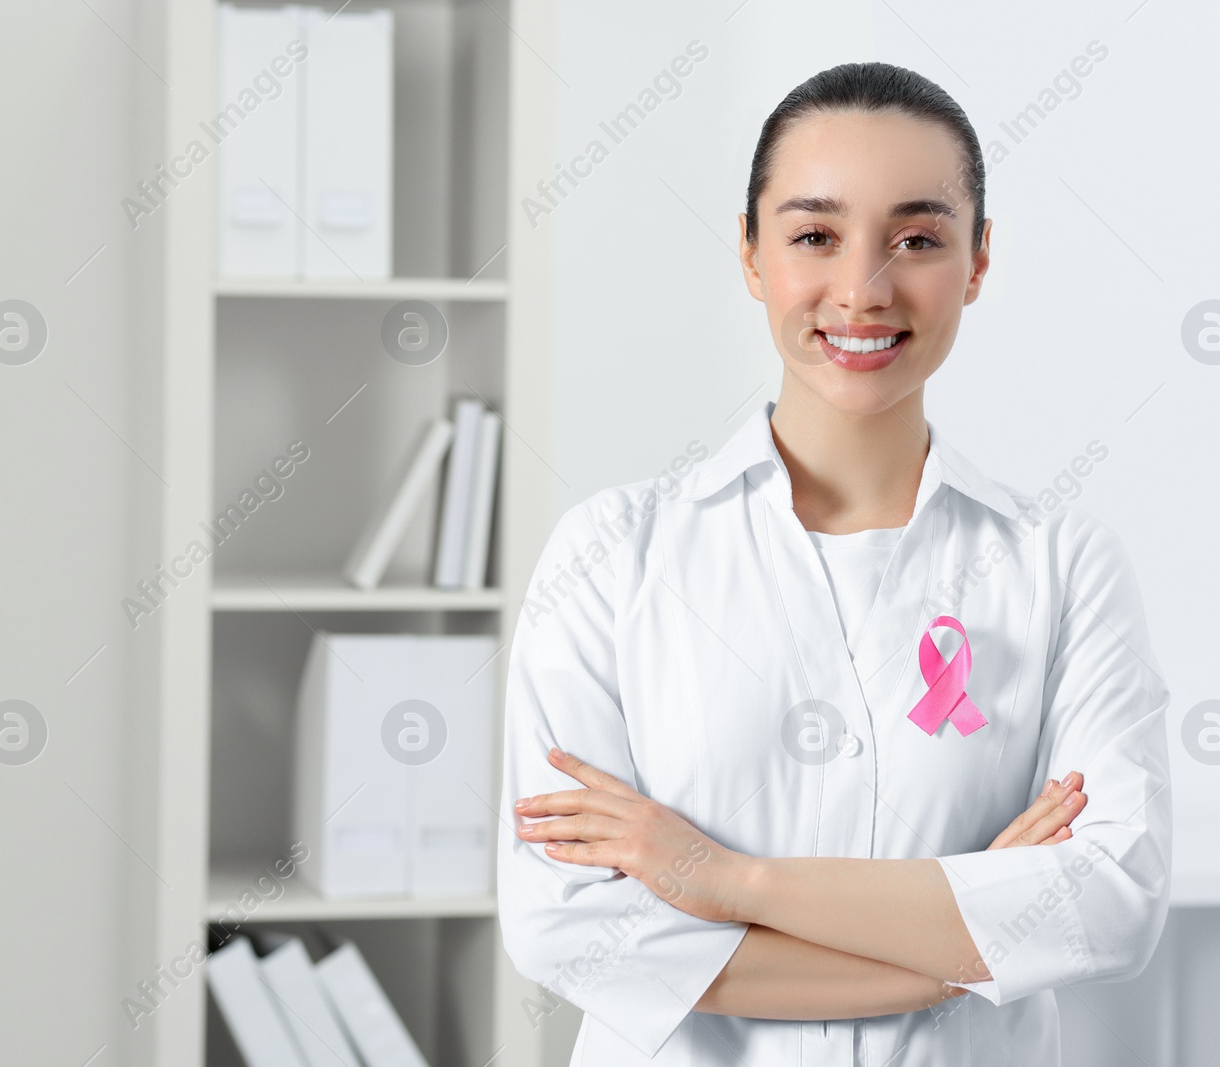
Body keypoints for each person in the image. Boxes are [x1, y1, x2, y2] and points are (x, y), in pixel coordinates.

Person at [496, 61, 1171, 1066]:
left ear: (978, 259)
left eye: (918, 239)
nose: (862, 289)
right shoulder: (609, 555)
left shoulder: (1059, 564)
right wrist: (971, 931)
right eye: (814, 235)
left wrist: (719, 877)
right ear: (750, 252)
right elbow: (571, 932)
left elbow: (1110, 901)